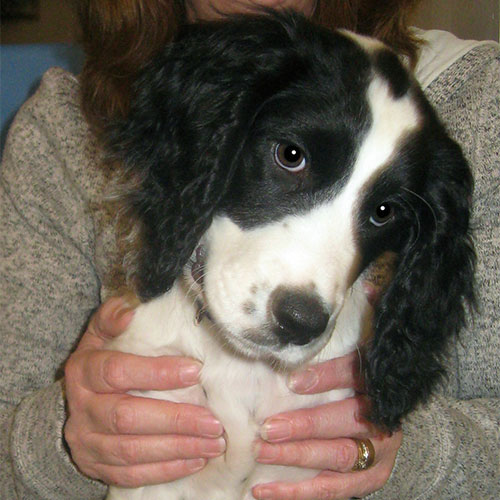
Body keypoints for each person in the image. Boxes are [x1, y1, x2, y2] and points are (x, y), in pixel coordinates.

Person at [0, 0, 498, 498]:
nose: (310, 299)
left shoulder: (480, 100)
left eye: (382, 213)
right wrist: (66, 435)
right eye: (292, 155)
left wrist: (404, 448)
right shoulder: (57, 128)